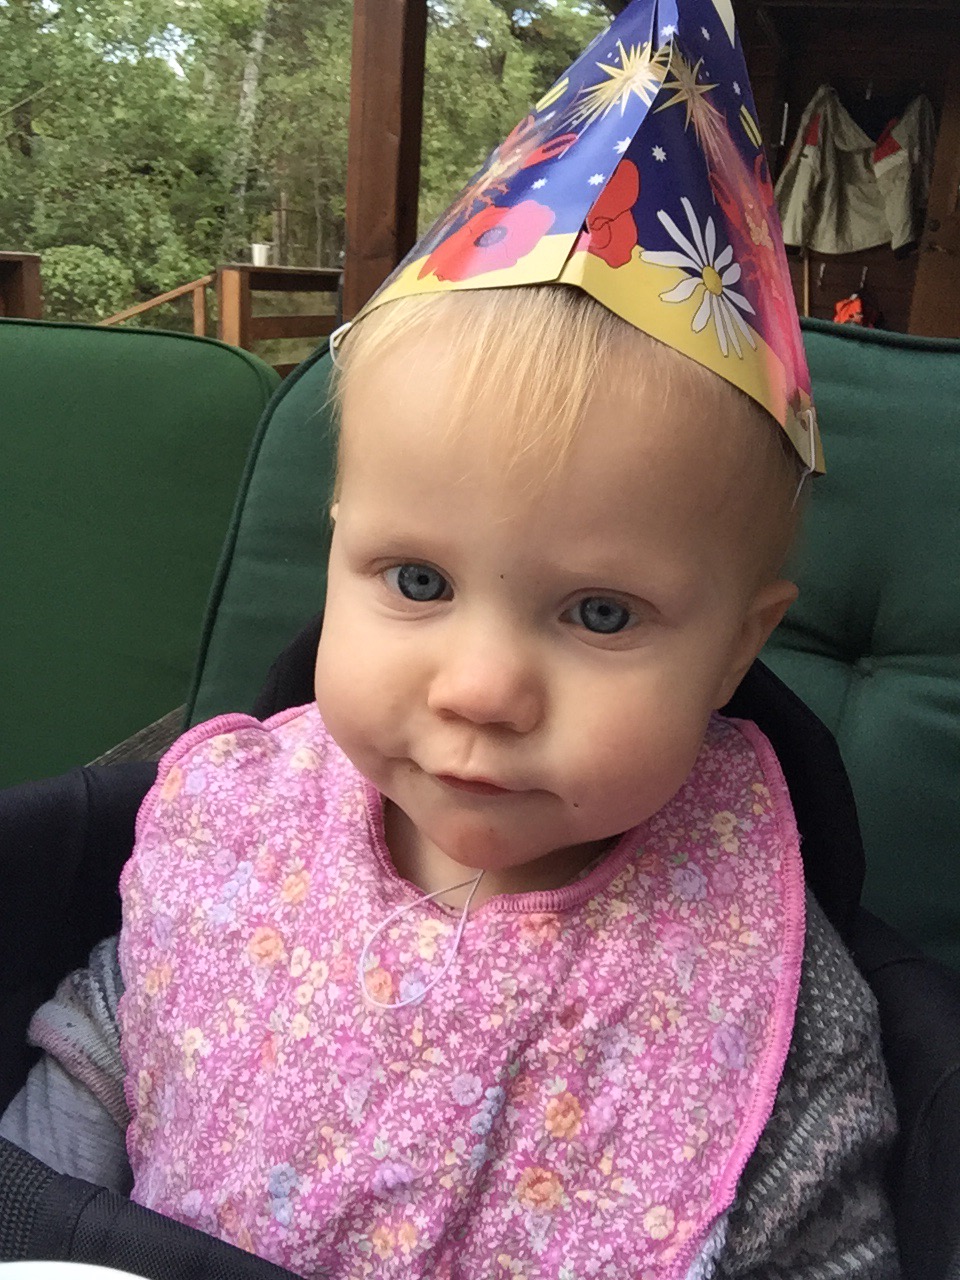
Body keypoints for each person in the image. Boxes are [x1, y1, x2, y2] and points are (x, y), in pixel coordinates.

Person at [1, 1, 900, 1276]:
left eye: (601, 611)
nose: (480, 688)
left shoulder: (769, 989)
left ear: (734, 651)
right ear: (334, 550)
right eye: (417, 578)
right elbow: (107, 1047)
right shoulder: (238, 837)